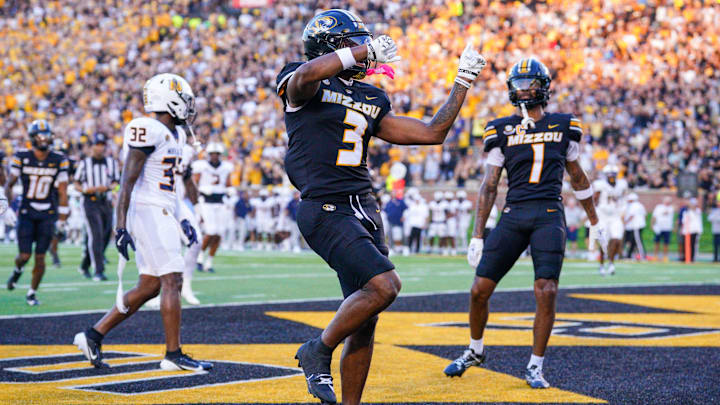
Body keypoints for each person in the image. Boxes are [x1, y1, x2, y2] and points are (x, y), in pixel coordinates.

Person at [276, 9, 486, 404]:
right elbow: (304, 77)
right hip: (325, 208)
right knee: (385, 287)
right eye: (354, 42)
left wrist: (462, 82)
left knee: (366, 319)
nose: (366, 51)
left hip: (365, 209)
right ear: (333, 46)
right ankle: (316, 350)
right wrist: (361, 52)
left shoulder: (372, 96)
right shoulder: (304, 80)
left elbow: (432, 133)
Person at [443, 58, 607, 389]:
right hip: (513, 213)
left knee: (546, 290)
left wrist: (594, 221)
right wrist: (477, 235)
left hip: (548, 213)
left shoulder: (564, 124)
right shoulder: (499, 128)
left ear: (543, 87)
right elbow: (490, 184)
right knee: (479, 290)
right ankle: (475, 350)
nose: (523, 89)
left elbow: (577, 176)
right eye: (518, 83)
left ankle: (535, 365)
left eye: (530, 82)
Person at [73, 73, 211, 371]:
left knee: (150, 286)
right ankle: (173, 355)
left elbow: (170, 186)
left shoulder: (178, 135)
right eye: (184, 100)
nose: (188, 106)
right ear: (169, 100)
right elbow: (127, 181)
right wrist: (120, 226)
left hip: (161, 209)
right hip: (147, 211)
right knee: (172, 279)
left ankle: (93, 335)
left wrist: (182, 217)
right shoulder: (146, 128)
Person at [5, 120, 70, 306]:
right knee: (24, 256)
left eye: (46, 135)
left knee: (40, 257)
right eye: (39, 136)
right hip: (26, 211)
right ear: (32, 138)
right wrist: (8, 208)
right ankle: (17, 271)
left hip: (47, 213)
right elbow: (9, 184)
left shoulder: (59, 159)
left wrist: (62, 219)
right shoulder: (22, 156)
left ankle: (31, 293)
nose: (43, 139)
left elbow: (63, 191)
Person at [74, 133, 121, 281]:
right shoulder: (84, 163)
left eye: (102, 145)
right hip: (90, 201)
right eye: (97, 144)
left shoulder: (111, 163)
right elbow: (76, 184)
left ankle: (84, 265)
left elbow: (116, 183)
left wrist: (107, 188)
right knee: (96, 234)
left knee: (106, 235)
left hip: (105, 201)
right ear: (92, 147)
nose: (100, 148)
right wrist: (86, 190)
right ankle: (98, 271)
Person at [193, 142, 232, 272]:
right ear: (208, 155)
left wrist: (230, 190)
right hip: (206, 201)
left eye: (217, 154)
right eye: (212, 154)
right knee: (210, 231)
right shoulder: (201, 166)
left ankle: (209, 261)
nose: (215, 156)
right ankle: (199, 257)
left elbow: (228, 183)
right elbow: (194, 183)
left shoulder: (226, 167)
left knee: (219, 233)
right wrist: (202, 190)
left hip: (220, 201)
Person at [593, 164, 627, 275]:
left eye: (613, 174)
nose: (611, 176)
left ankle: (611, 263)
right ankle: (602, 264)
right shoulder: (600, 185)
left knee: (617, 239)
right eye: (609, 174)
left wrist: (623, 212)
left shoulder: (622, 184)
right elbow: (595, 199)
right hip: (602, 215)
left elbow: (624, 198)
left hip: (615, 215)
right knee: (603, 241)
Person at [623, 193, 647, 260]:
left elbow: (631, 216)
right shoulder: (640, 205)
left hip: (636, 225)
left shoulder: (634, 205)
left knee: (638, 240)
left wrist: (625, 223)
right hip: (638, 225)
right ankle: (629, 255)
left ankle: (642, 255)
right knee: (632, 241)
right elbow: (645, 215)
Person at [383, 190, 407, 254]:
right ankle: (391, 248)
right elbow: (385, 211)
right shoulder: (388, 202)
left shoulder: (400, 201)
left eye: (394, 193)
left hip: (399, 221)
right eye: (392, 193)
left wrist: (404, 216)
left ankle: (404, 248)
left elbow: (406, 209)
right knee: (390, 235)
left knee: (402, 235)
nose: (393, 194)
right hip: (390, 221)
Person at [405, 189, 429, 254]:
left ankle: (417, 250)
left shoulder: (423, 206)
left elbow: (426, 216)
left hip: (420, 224)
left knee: (418, 238)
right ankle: (409, 248)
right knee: (411, 237)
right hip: (412, 224)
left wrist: (425, 224)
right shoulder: (412, 205)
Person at [651, 196, 675, 262]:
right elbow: (654, 216)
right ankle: (655, 256)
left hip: (667, 228)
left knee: (666, 243)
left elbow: (667, 212)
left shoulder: (671, 208)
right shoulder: (658, 207)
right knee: (656, 242)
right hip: (658, 228)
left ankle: (665, 257)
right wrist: (652, 224)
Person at [680, 197, 702, 262]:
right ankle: (685, 256)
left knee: (692, 244)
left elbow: (695, 212)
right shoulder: (686, 211)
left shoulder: (697, 210)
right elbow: (683, 221)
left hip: (694, 230)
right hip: (686, 231)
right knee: (685, 244)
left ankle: (692, 257)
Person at [444, 191, 459, 255]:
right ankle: (446, 249)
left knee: (452, 235)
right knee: (445, 236)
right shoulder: (444, 203)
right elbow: (446, 213)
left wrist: (449, 215)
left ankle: (453, 250)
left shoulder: (455, 203)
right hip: (444, 221)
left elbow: (455, 213)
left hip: (452, 221)